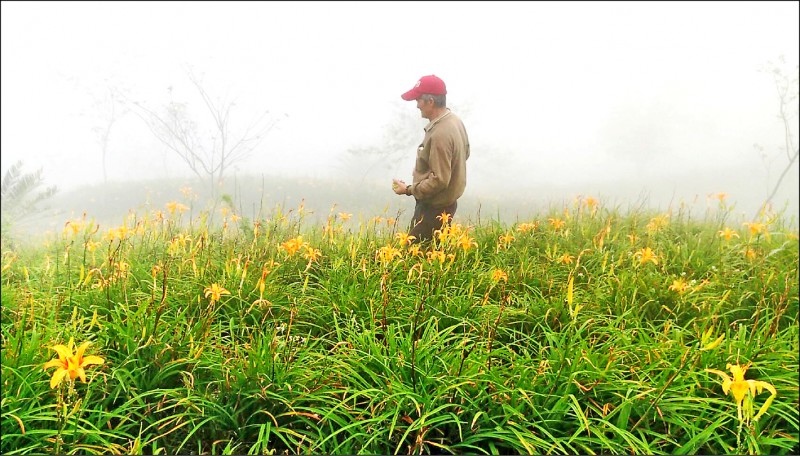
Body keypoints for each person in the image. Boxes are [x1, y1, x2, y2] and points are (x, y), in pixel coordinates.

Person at [392, 74, 470, 244]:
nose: (417, 105)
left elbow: (440, 180)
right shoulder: (454, 121)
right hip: (447, 204)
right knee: (431, 255)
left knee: (410, 255)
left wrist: (409, 189)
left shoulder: (440, 133)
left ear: (430, 102)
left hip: (434, 210)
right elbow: (466, 153)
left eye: (418, 100)